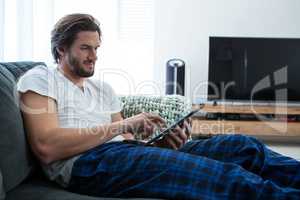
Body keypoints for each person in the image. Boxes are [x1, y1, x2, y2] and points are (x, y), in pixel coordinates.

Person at [17, 13, 300, 200]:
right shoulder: (41, 79)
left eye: (96, 48)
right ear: (60, 50)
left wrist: (164, 145)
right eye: (85, 48)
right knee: (219, 177)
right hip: (86, 166)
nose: (94, 57)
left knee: (243, 147)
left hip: (122, 153)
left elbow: (126, 142)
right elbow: (47, 146)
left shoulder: (102, 89)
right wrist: (125, 124)